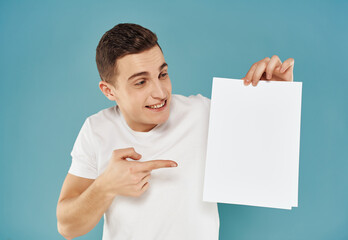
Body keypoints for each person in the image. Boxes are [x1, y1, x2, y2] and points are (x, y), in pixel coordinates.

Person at [56, 23, 294, 240]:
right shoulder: (96, 129)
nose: (160, 93)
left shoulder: (202, 113)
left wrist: (278, 95)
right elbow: (68, 226)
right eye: (141, 82)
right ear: (109, 91)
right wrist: (105, 186)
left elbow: (269, 158)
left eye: (162, 74)